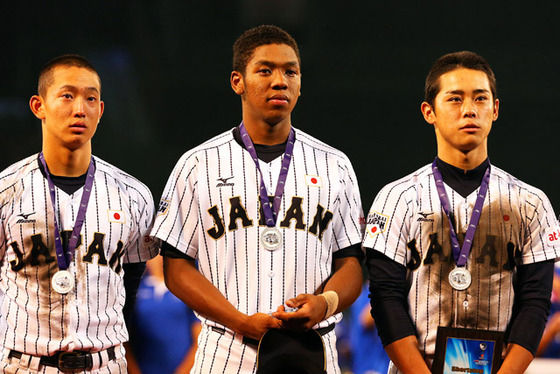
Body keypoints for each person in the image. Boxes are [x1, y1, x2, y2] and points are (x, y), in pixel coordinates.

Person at [151, 25, 365, 373]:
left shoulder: (335, 165)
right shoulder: (197, 164)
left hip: (312, 349)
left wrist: (325, 303)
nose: (280, 81)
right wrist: (238, 320)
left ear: (300, 83)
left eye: (290, 72)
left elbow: (351, 264)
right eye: (265, 70)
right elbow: (176, 267)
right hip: (226, 350)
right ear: (238, 81)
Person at [363, 51, 560, 374]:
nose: (469, 109)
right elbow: (386, 300)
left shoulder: (530, 202)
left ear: (495, 109)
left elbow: (535, 303)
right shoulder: (397, 198)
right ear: (429, 112)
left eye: (480, 99)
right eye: (454, 99)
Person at [0, 55, 158, 373]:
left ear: (100, 110)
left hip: (105, 364)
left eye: (90, 98)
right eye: (67, 95)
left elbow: (133, 281)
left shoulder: (134, 194)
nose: (79, 108)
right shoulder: (6, 189)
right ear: (38, 106)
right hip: (25, 364)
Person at [126, 255, 201, 374]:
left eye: (164, 253)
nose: (161, 258)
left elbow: (199, 337)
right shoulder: (134, 290)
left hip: (184, 369)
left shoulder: (187, 288)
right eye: (156, 253)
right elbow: (124, 340)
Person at [348, 284, 390, 374]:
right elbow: (365, 319)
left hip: (374, 365)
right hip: (370, 367)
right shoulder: (366, 294)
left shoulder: (362, 293)